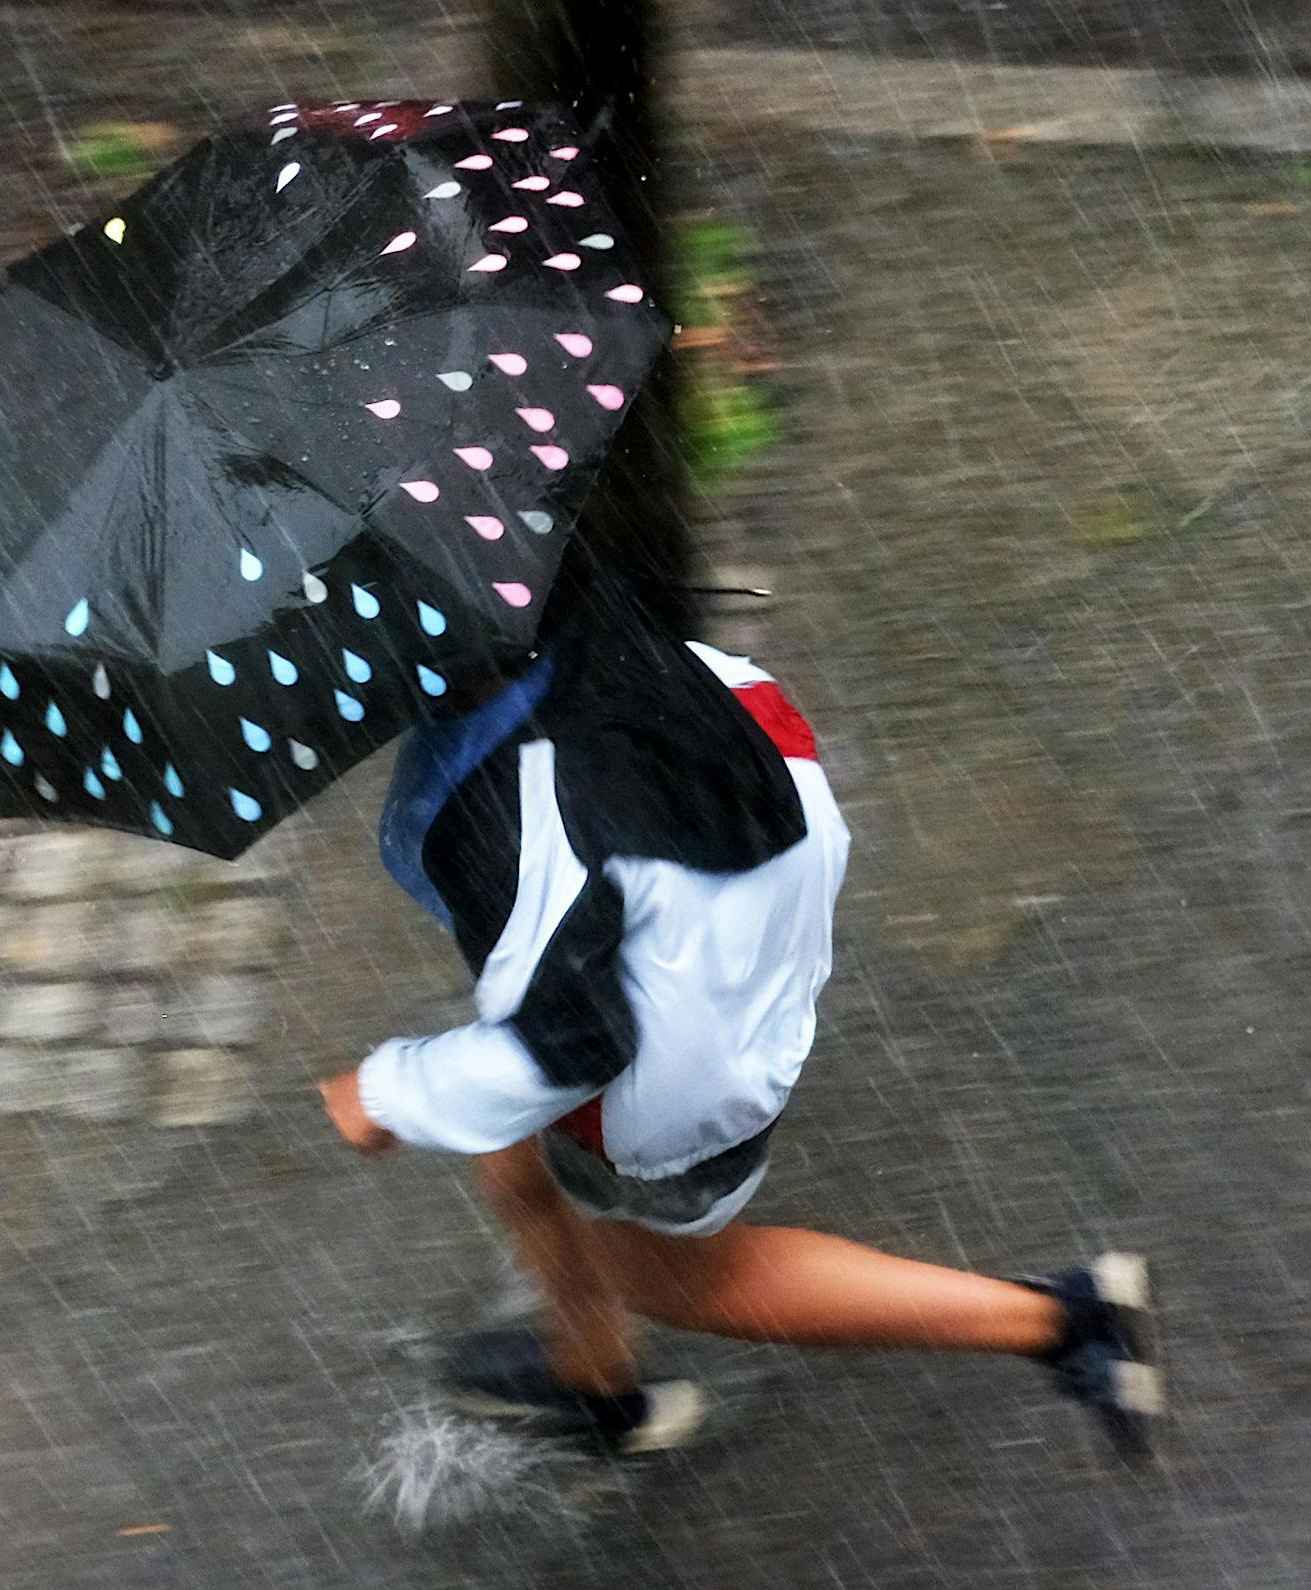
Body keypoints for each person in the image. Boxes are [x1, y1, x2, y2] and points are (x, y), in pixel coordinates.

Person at [320, 554, 1160, 1461]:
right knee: (505, 1129)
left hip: (673, 1050)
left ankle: (1064, 1321)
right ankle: (592, 1369)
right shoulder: (620, 646)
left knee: (684, 1276)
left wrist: (387, 1093)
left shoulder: (511, 823)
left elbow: (567, 1044)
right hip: (728, 928)